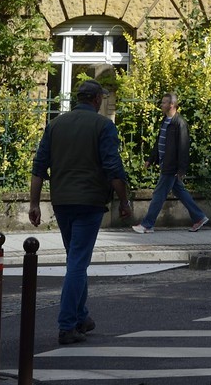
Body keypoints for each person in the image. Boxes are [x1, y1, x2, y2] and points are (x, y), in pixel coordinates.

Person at [29, 78, 132, 345]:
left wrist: (34, 203)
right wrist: (124, 201)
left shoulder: (55, 124)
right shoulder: (103, 126)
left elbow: (39, 166)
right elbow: (113, 168)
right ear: (97, 99)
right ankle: (67, 325)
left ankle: (81, 316)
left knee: (75, 259)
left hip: (62, 201)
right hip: (90, 202)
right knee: (77, 263)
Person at [132, 91, 209, 233]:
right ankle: (199, 217)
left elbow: (183, 147)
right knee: (180, 192)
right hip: (165, 163)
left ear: (172, 105)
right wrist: (151, 159)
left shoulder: (180, 123)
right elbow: (159, 142)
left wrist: (181, 169)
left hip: (171, 166)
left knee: (158, 194)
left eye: (164, 102)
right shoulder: (165, 121)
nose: (161, 105)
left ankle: (147, 224)